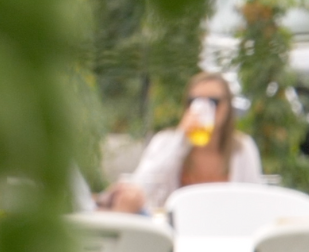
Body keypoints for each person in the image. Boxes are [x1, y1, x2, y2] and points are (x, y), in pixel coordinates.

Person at [99, 72, 263, 214]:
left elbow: (254, 200)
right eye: (195, 101)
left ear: (227, 107)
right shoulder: (166, 142)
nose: (205, 108)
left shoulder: (242, 148)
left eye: (213, 102)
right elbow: (141, 187)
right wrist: (181, 139)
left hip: (226, 231)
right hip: (176, 232)